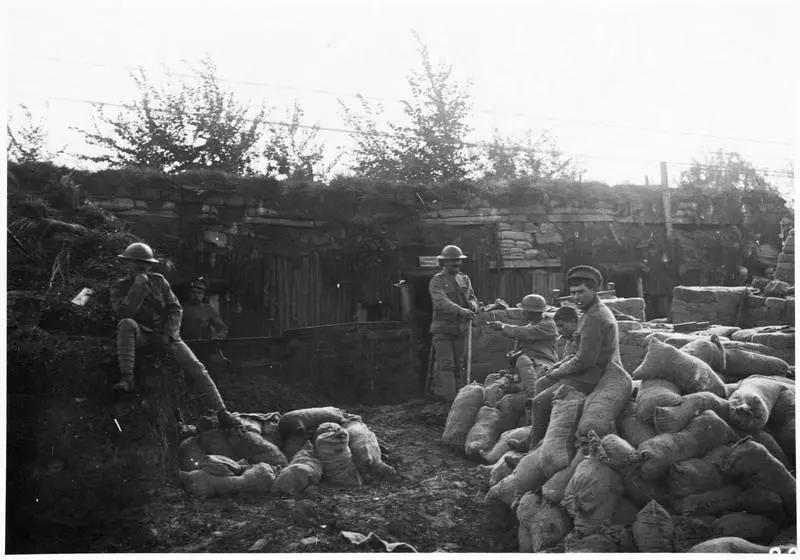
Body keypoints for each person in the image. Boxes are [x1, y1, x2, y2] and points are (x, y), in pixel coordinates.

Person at [109, 242, 240, 426]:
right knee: (126, 324)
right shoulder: (119, 287)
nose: (142, 267)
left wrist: (169, 334)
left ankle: (222, 411)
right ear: (126, 264)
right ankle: (127, 379)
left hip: (165, 335)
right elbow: (125, 314)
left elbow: (175, 308)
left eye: (146, 264)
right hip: (142, 334)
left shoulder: (160, 281)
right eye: (136, 263)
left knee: (197, 367)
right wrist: (137, 287)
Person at [527, 265, 622, 449]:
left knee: (540, 402)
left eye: (581, 292)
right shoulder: (590, 312)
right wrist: (558, 369)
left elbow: (585, 361)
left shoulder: (595, 317)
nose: (576, 297)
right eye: (573, 293)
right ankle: (535, 437)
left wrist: (557, 373)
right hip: (588, 371)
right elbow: (578, 352)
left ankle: (534, 449)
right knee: (541, 384)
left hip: (596, 375)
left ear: (594, 290)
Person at [428, 244, 478, 400]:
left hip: (460, 329)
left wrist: (472, 306)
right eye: (452, 261)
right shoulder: (437, 281)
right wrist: (461, 310)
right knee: (447, 365)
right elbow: (440, 302)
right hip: (442, 330)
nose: (457, 264)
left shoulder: (464, 279)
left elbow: (472, 298)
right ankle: (450, 402)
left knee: (459, 366)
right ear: (443, 263)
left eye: (458, 260)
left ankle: (461, 401)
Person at [485, 293, 558, 367]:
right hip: (531, 363)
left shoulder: (548, 325)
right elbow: (522, 331)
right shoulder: (532, 324)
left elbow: (525, 332)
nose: (522, 312)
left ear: (533, 312)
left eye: (525, 310)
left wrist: (502, 326)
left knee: (523, 361)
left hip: (544, 363)